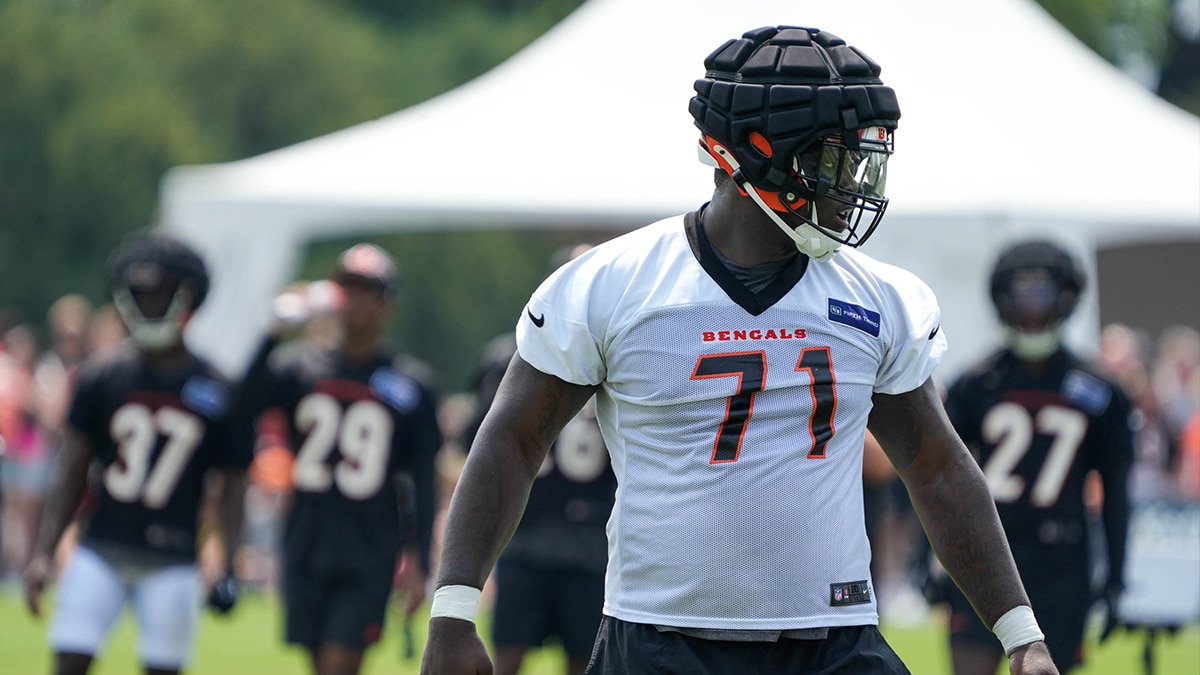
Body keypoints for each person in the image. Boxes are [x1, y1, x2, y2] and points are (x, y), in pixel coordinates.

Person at [421, 25, 1058, 675]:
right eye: (834, 161)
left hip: (834, 640)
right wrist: (451, 610)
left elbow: (939, 468)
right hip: (659, 639)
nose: (852, 187)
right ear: (760, 155)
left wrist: (1022, 634)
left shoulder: (882, 296)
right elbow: (511, 440)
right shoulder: (614, 285)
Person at [23, 233, 250, 675]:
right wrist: (44, 549)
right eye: (140, 294)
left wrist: (230, 562)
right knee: (69, 660)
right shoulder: (103, 375)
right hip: (100, 547)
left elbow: (233, 483)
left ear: (188, 297)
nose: (148, 305)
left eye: (159, 294)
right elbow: (73, 465)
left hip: (174, 556)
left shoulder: (218, 390)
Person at [233, 243, 441, 675]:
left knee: (339, 666)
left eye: (366, 290)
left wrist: (420, 558)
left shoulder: (409, 384)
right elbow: (240, 409)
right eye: (347, 288)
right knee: (318, 662)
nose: (353, 300)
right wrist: (271, 333)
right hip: (306, 538)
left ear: (388, 305)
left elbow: (422, 475)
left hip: (370, 544)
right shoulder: (299, 370)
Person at [939, 241, 1135, 674]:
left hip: (1061, 562)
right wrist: (929, 558)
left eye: (1041, 292)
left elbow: (1118, 490)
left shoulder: (1101, 391)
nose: (1031, 306)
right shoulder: (975, 384)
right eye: (1021, 292)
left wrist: (1118, 576)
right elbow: (935, 477)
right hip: (986, 550)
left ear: (1065, 296)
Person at [464, 332, 617, 675]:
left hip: (563, 536)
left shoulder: (508, 355)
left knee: (577, 656)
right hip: (557, 535)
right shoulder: (611, 348)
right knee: (523, 655)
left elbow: (473, 440)